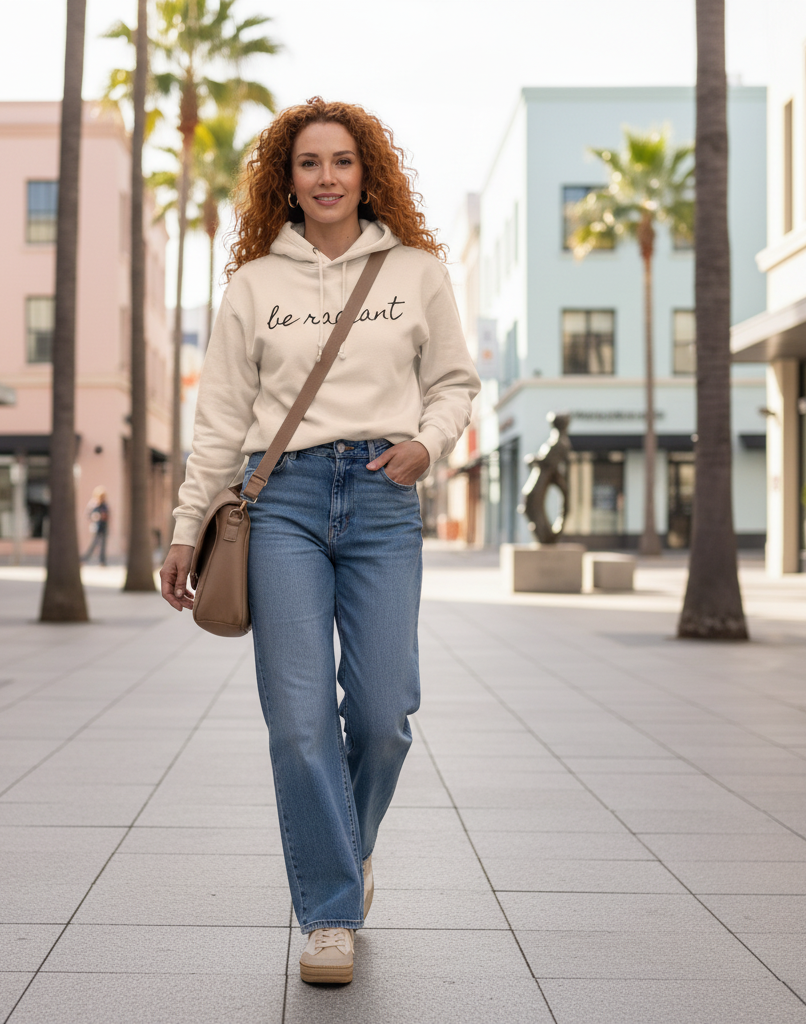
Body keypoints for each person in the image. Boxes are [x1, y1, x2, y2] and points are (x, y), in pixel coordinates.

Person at [160, 97, 480, 984]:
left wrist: (428, 441)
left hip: (383, 496)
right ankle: (330, 914)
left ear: (365, 173)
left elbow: (454, 382)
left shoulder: (416, 271)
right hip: (283, 499)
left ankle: (347, 848)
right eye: (309, 163)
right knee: (299, 723)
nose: (327, 177)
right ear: (286, 182)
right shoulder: (255, 285)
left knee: (384, 717)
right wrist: (189, 527)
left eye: (342, 161)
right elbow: (220, 418)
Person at [81, 486, 109, 566]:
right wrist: (97, 516)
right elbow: (88, 515)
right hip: (96, 527)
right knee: (94, 544)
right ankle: (85, 559)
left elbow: (108, 516)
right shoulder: (93, 504)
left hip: (104, 527)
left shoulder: (105, 505)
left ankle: (102, 562)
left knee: (103, 545)